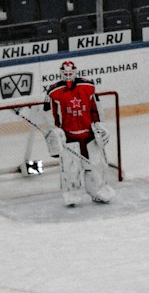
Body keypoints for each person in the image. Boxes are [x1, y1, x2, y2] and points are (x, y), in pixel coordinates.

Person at [43, 60, 114, 207]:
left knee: (96, 165)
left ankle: (99, 190)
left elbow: (96, 108)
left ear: (76, 71)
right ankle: (71, 195)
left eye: (71, 72)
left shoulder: (88, 87)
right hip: (68, 137)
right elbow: (49, 114)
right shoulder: (53, 91)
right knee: (70, 169)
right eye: (65, 72)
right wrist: (54, 130)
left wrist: (99, 124)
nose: (68, 75)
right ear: (60, 72)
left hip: (89, 136)